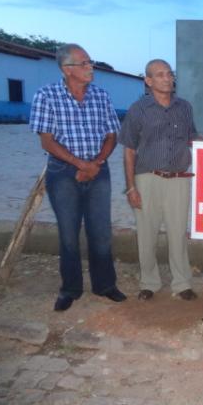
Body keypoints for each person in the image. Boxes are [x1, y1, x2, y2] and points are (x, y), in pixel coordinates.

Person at [29, 43, 126, 311]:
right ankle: (70, 289)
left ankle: (105, 285)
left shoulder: (101, 96)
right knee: (69, 233)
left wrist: (96, 163)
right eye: (84, 63)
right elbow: (47, 142)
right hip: (62, 173)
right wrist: (79, 164)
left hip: (99, 169)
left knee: (101, 232)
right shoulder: (46, 96)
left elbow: (111, 135)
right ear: (66, 69)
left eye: (90, 62)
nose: (90, 67)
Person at [119, 59, 198, 301]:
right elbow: (129, 150)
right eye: (160, 75)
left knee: (177, 232)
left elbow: (192, 138)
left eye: (169, 74)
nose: (167, 78)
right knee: (147, 233)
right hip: (147, 178)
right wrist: (131, 187)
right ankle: (149, 283)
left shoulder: (184, 107)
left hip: (179, 179)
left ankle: (182, 283)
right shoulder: (138, 109)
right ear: (149, 81)